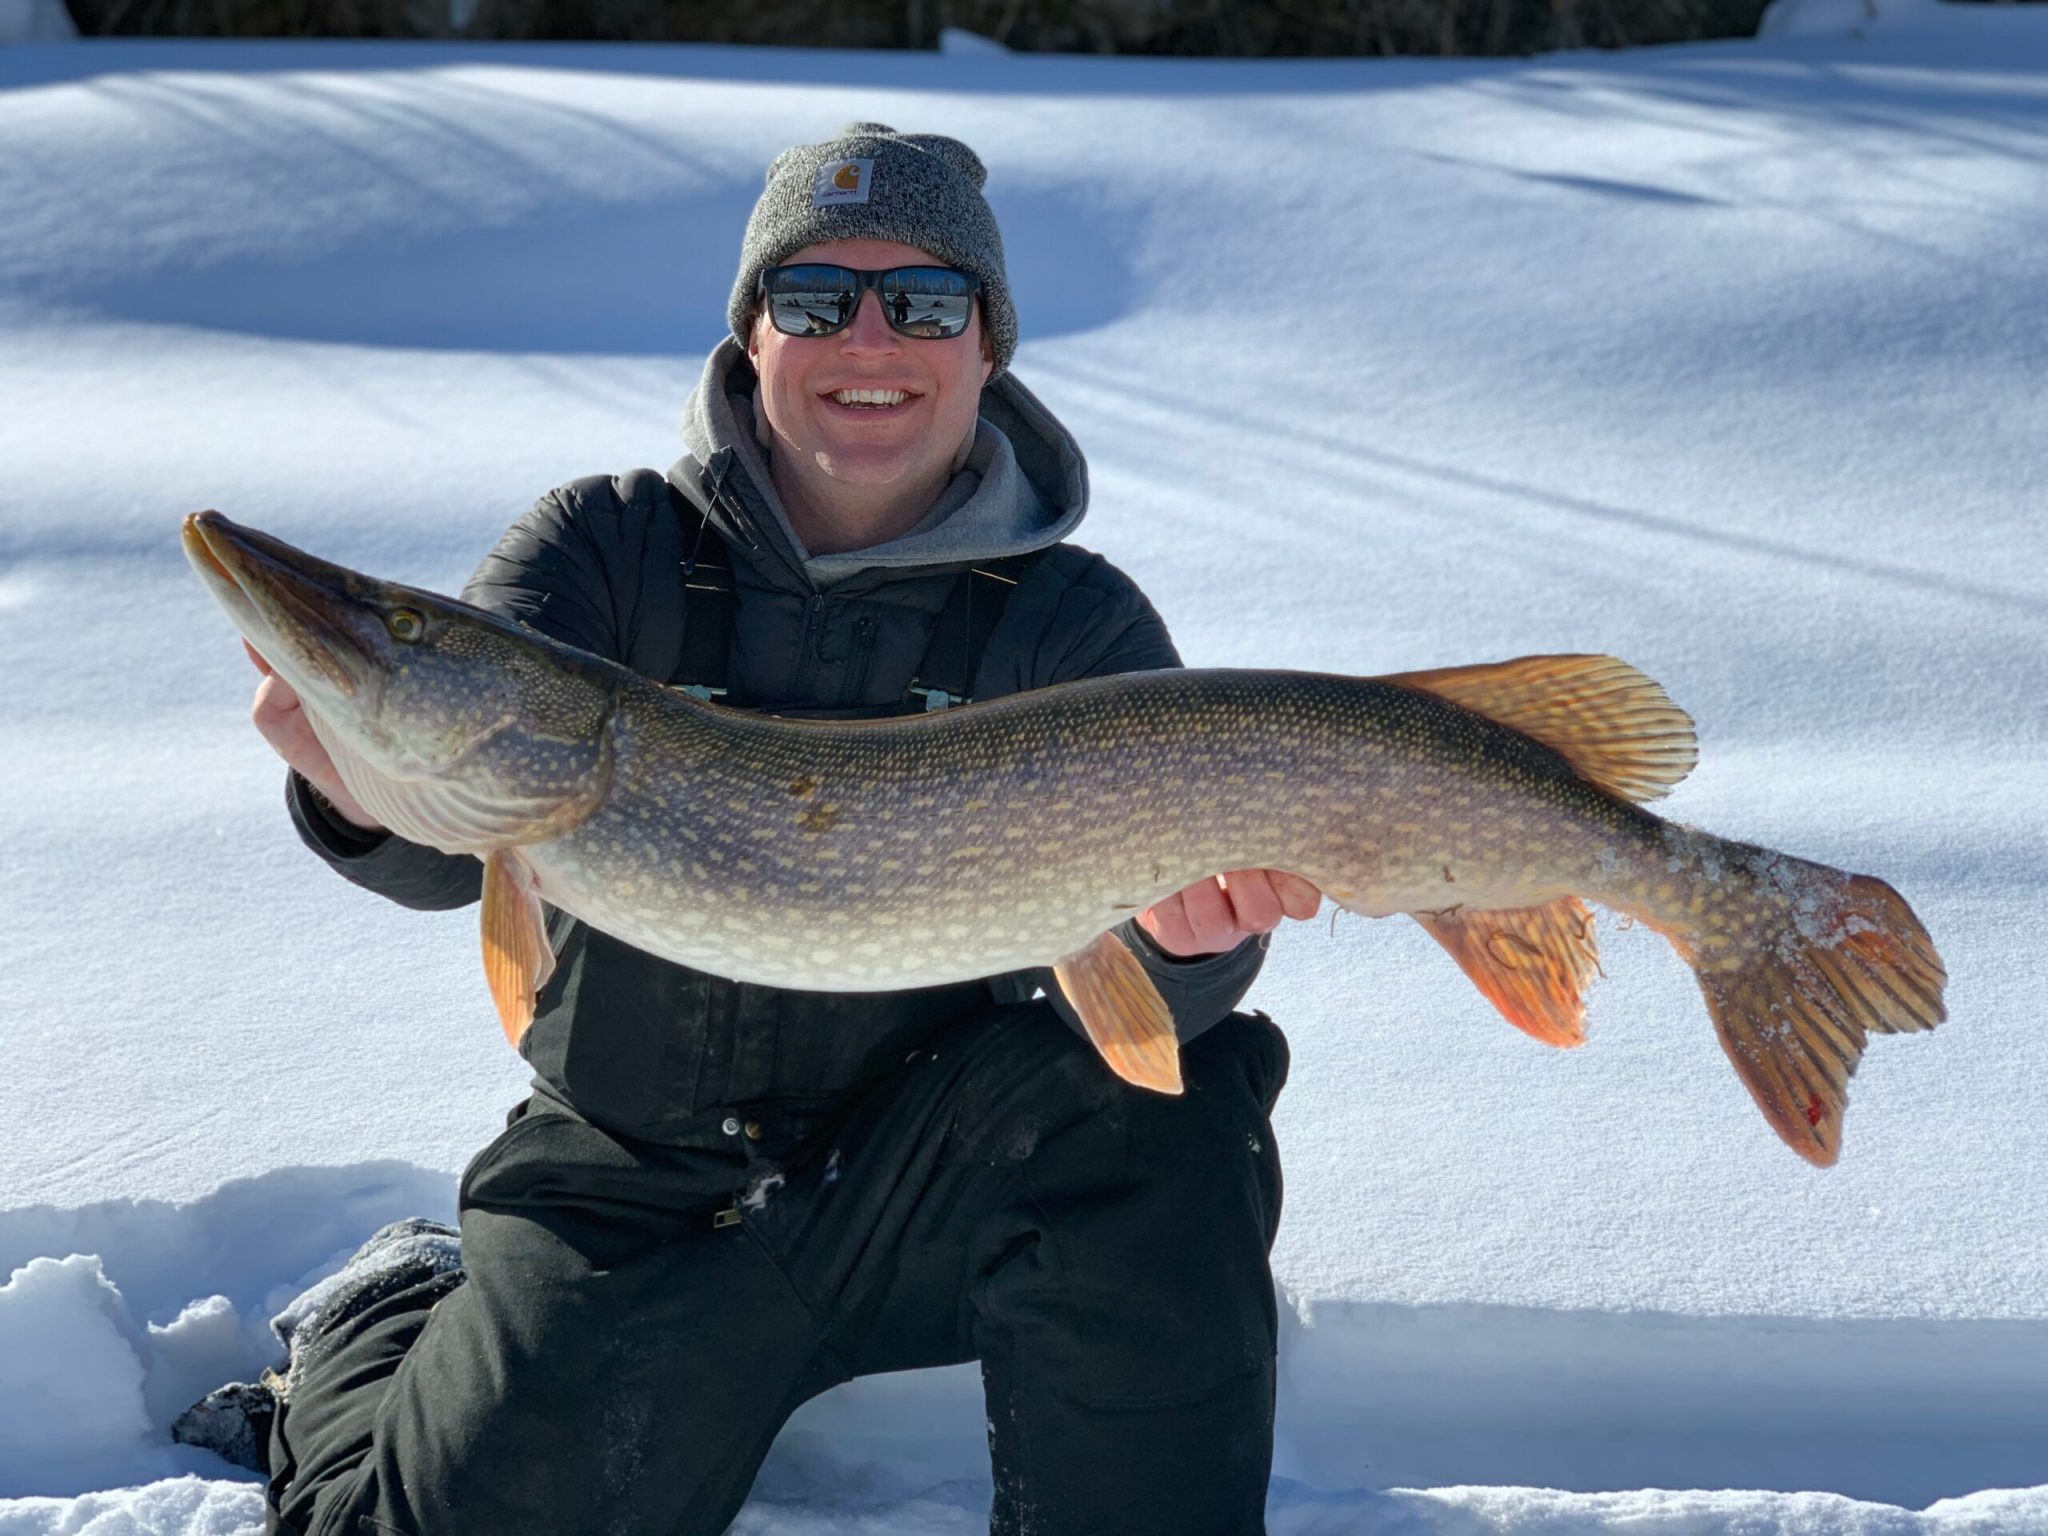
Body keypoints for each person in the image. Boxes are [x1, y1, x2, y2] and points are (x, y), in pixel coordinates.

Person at [187, 123, 1321, 1536]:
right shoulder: (601, 551)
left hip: (932, 1181)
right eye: (813, 297)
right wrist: (355, 783)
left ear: (986, 345)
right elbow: (451, 841)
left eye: (922, 302)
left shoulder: (1073, 623)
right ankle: (377, 1321)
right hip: (628, 1194)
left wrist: (1182, 950)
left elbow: (1142, 1004)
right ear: (750, 333)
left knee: (1177, 1118)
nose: (869, 336)